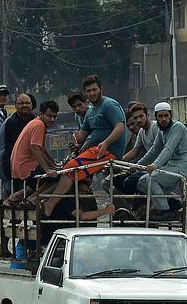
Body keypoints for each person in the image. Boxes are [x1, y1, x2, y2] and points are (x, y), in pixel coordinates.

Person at [42, 76, 126, 217]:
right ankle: (44, 200)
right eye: (89, 91)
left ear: (100, 89)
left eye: (94, 89)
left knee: (72, 167)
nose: (92, 93)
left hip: (108, 151)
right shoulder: (91, 111)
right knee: (63, 168)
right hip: (92, 149)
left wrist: (105, 143)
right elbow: (83, 133)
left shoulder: (109, 105)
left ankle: (50, 204)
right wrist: (76, 139)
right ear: (85, 93)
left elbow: (119, 127)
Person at [133, 102, 187, 222]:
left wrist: (155, 165)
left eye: (166, 116)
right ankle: (170, 203)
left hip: (182, 166)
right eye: (160, 117)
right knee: (141, 181)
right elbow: (154, 150)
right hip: (171, 166)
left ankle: (165, 211)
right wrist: (138, 166)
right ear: (156, 117)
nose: (164, 119)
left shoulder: (177, 127)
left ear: (170, 115)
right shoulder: (162, 131)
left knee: (152, 179)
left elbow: (168, 149)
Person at [7, 100, 60, 205]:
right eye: (49, 116)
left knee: (54, 174)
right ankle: (32, 199)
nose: (52, 119)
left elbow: (42, 150)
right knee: (60, 178)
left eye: (54, 117)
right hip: (26, 166)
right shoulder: (39, 125)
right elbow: (35, 148)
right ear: (41, 114)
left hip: (19, 166)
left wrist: (53, 164)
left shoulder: (35, 123)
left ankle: (17, 196)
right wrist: (47, 169)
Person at [0, 93, 36, 191]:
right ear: (16, 106)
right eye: (21, 103)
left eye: (27, 103)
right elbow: (13, 149)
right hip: (13, 165)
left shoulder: (33, 119)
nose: (24, 105)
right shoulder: (11, 122)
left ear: (32, 105)